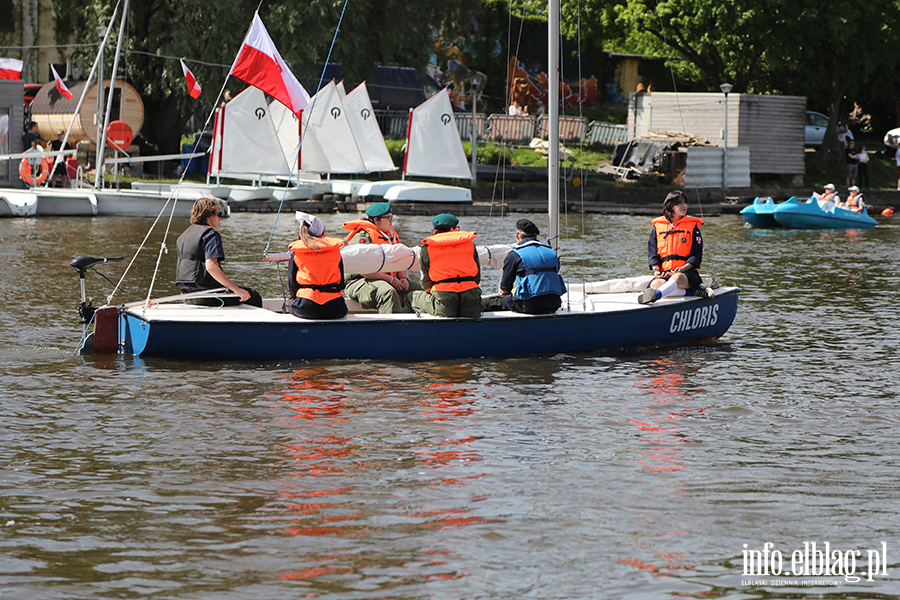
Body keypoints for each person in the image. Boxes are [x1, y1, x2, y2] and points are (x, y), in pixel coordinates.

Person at [175, 196, 262, 307]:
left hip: (186, 295)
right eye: (218, 214)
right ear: (210, 215)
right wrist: (236, 290)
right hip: (207, 295)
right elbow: (211, 267)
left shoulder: (183, 235)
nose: (220, 218)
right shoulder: (211, 234)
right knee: (253, 296)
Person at [341, 202, 421, 313]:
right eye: (388, 218)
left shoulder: (391, 235)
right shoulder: (363, 236)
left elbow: (401, 259)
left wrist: (404, 278)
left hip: (388, 279)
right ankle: (391, 329)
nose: (392, 221)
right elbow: (364, 270)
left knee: (422, 292)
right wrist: (391, 280)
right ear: (377, 220)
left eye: (391, 217)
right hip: (359, 281)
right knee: (387, 292)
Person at [638, 190, 712, 304]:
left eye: (685, 203)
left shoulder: (692, 227)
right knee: (655, 284)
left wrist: (681, 269)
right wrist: (656, 270)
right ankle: (692, 292)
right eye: (680, 203)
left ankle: (655, 296)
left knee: (677, 278)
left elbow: (696, 255)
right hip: (665, 272)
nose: (684, 206)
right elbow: (652, 252)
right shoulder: (658, 227)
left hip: (687, 273)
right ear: (671, 206)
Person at [405, 213, 482, 318]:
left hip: (444, 302)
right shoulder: (469, 244)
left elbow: (426, 282)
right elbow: (477, 277)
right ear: (452, 229)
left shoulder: (427, 248)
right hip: (471, 299)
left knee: (410, 297)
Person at [482, 218, 566, 314]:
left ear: (517, 235)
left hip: (530, 305)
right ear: (536, 236)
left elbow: (505, 289)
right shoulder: (551, 252)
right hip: (554, 303)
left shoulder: (514, 254)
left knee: (488, 303)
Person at [287, 211, 347, 320]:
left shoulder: (296, 252)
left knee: (287, 306)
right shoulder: (335, 250)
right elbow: (341, 282)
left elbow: (292, 285)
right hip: (334, 307)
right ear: (322, 231)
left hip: (306, 306)